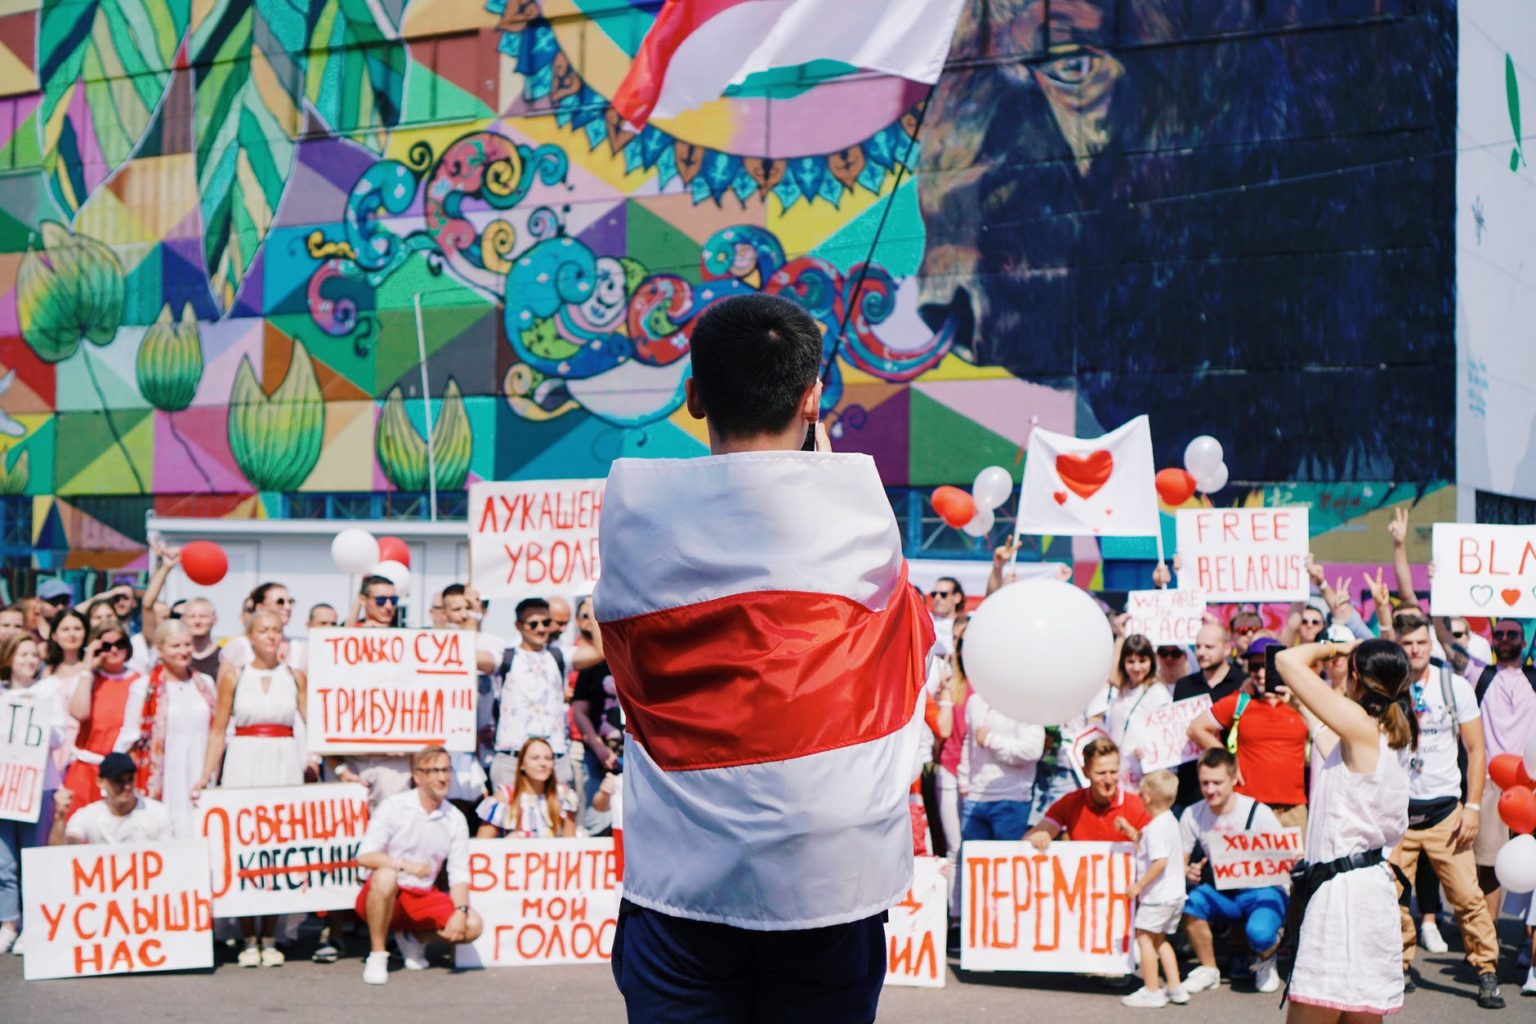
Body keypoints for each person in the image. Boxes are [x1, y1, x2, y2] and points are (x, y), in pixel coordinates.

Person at [594, 293, 933, 1023]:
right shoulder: (865, 530)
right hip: (828, 888)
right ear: (814, 398)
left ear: (692, 396)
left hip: (679, 893)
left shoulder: (630, 521)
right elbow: (913, 633)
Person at [1273, 638, 1415, 1022]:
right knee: (1359, 1012)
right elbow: (1329, 746)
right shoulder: (1387, 733)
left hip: (1343, 898)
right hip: (1367, 890)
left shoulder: (1362, 727)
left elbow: (1286, 659)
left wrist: (1337, 646)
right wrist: (1302, 706)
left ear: (1356, 677)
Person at [1386, 611, 1503, 1007]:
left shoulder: (1453, 686)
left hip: (1445, 814)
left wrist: (1472, 807)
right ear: (1397, 647)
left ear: (1430, 644)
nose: (1415, 650)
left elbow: (1476, 749)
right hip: (1397, 817)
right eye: (1407, 644)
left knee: (1468, 898)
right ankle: (1399, 966)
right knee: (1392, 898)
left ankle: (1486, 971)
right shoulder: (1387, 689)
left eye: (1421, 642)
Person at [198, 609, 306, 967]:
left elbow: (315, 724)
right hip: (244, 761)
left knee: (277, 846)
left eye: (276, 630)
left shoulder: (294, 675)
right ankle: (247, 935)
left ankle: (271, 933)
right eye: (264, 630)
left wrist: (337, 765)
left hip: (283, 762)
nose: (271, 636)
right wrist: (205, 775)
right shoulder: (234, 674)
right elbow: (217, 730)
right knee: (244, 845)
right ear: (250, 635)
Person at [355, 747, 482, 985]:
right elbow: (364, 855)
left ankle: (414, 937)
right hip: (386, 895)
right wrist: (403, 865)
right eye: (434, 771)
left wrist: (461, 911)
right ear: (418, 776)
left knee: (473, 925)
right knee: (385, 876)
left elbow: (459, 872)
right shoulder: (394, 806)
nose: (442, 777)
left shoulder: (455, 818)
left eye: (446, 770)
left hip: (422, 897)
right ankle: (378, 954)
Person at [1178, 747, 1288, 996]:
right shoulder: (1192, 814)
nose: (1210, 789)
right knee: (1191, 903)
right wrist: (1189, 871)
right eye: (1205, 783)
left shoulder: (1258, 812)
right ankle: (1209, 969)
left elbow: (1284, 859)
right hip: (1222, 892)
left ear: (1234, 778)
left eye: (1217, 782)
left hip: (1262, 891)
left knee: (1259, 933)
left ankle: (1266, 958)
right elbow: (1181, 863)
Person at [1188, 637, 1310, 835]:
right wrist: (1228, 760)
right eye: (1254, 666)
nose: (1261, 673)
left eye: (1267, 666)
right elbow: (1195, 728)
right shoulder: (1239, 702)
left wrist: (1297, 698)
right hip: (1249, 807)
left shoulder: (1302, 703)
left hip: (1293, 811)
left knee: (1297, 867)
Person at [113, 621, 218, 840]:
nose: (184, 651)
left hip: (201, 771)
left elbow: (218, 730)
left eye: (187, 645)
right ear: (160, 650)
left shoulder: (205, 684)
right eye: (176, 646)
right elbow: (130, 738)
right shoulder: (143, 688)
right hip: (164, 776)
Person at [0, 635, 64, 953]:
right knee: (4, 860)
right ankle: (10, 921)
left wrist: (32, 714)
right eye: (22, 653)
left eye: (33, 654)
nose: (29, 660)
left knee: (33, 856)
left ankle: (35, 923)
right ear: (9, 658)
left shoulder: (48, 690)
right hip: (5, 788)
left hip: (38, 786)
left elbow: (58, 736)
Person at [328, 578, 412, 813]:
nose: (388, 606)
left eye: (393, 600)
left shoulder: (407, 643)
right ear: (364, 601)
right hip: (354, 755)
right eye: (381, 600)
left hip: (394, 759)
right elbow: (336, 650)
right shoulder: (350, 638)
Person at [1474, 618, 1536, 915]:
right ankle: (1489, 942)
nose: (1506, 638)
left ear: (1524, 642)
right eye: (1500, 634)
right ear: (1493, 640)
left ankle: (1529, 943)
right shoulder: (1481, 675)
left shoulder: (1533, 678)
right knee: (1487, 866)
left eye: (1513, 634)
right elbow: (1447, 642)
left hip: (1532, 785)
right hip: (1491, 784)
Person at [1121, 770, 1188, 1008]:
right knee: (1160, 940)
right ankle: (1175, 986)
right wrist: (1130, 830)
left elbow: (1159, 861)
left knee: (1144, 938)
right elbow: (1149, 844)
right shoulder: (1169, 821)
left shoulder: (1155, 828)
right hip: (1174, 894)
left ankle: (1152, 990)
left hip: (1158, 897)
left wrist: (1139, 885)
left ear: (1147, 797)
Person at [488, 597, 570, 793]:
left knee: (560, 821)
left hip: (554, 759)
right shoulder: (504, 656)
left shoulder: (560, 655)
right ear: (518, 625)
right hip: (511, 759)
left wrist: (594, 602)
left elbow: (599, 651)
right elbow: (469, 654)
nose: (541, 629)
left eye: (546, 622)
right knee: (508, 823)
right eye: (533, 623)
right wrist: (471, 616)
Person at [61, 623, 143, 816]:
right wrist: (88, 667)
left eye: (120, 644)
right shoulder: (87, 678)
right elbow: (79, 713)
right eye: (106, 646)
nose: (113, 650)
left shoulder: (139, 681)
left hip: (121, 772)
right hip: (86, 771)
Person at [1026, 737, 1152, 847]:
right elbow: (1026, 842)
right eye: (1101, 773)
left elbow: (1157, 849)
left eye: (1113, 772)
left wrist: (1135, 836)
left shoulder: (1137, 806)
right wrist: (1038, 838)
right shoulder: (1071, 802)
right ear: (1085, 772)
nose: (1108, 780)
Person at [1172, 623, 1245, 809]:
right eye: (1198, 646)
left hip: (1232, 785)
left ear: (1227, 648)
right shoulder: (1183, 685)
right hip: (1189, 786)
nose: (1201, 652)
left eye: (1209, 647)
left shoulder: (1242, 683)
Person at [959, 692, 1045, 842]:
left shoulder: (1026, 704)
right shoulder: (975, 700)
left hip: (1011, 800)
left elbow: (1032, 750)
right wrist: (964, 782)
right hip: (973, 799)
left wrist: (991, 740)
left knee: (1008, 863)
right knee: (971, 862)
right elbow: (969, 741)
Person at [570, 597, 620, 834]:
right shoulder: (591, 663)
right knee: (598, 822)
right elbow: (579, 711)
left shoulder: (635, 656)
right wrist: (598, 746)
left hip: (635, 754)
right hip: (598, 756)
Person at [51, 752, 174, 845]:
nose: (126, 786)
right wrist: (59, 817)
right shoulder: (88, 815)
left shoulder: (158, 813)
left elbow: (169, 854)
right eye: (118, 781)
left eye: (130, 779)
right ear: (100, 782)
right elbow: (62, 852)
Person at [475, 737, 577, 838]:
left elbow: (571, 843)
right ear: (522, 764)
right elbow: (481, 846)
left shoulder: (563, 796)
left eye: (548, 758)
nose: (542, 764)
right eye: (535, 758)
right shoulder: (504, 796)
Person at [1106, 634, 1172, 785]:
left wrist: (1150, 752)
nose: (1137, 668)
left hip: (1143, 772)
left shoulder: (1158, 693)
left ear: (1151, 662)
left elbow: (1166, 735)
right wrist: (1120, 635)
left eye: (1142, 661)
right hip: (1118, 770)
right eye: (1131, 661)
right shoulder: (1120, 691)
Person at [223, 582, 295, 669]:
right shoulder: (239, 647)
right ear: (260, 607)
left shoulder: (297, 649)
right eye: (280, 602)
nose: (288, 607)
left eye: (290, 602)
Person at [929, 577, 964, 658]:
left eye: (943, 594)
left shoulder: (967, 624)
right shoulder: (927, 622)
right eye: (934, 594)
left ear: (957, 598)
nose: (937, 598)